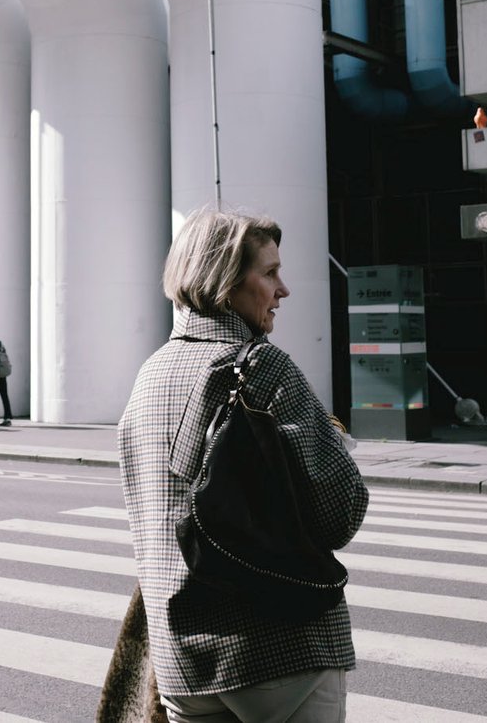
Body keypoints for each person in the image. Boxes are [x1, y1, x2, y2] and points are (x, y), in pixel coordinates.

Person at [118, 206, 368, 722]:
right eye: (270, 273)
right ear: (227, 283)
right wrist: (335, 445)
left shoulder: (149, 375)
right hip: (278, 646)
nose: (284, 290)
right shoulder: (262, 365)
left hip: (181, 662)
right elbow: (341, 515)